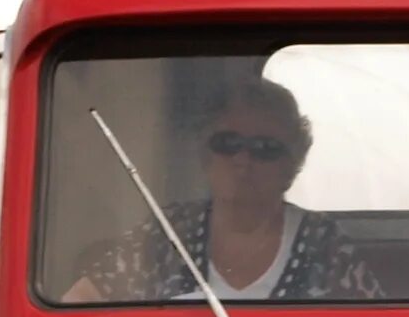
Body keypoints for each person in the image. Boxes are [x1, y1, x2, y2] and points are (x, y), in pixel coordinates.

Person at [61, 77, 383, 303]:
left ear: (291, 165)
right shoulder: (171, 231)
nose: (242, 160)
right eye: (227, 143)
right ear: (205, 154)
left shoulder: (322, 241)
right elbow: (80, 301)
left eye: (265, 148)